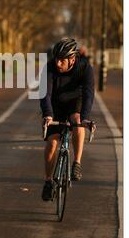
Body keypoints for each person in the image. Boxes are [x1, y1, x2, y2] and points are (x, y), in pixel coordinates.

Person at [40, 38, 94, 201]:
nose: (58, 63)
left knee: (77, 121)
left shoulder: (84, 68)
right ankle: (48, 181)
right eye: (56, 58)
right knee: (52, 143)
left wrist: (85, 118)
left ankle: (76, 163)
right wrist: (48, 115)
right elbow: (45, 94)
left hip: (74, 102)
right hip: (55, 105)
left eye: (62, 60)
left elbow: (89, 94)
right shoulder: (49, 67)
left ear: (72, 59)